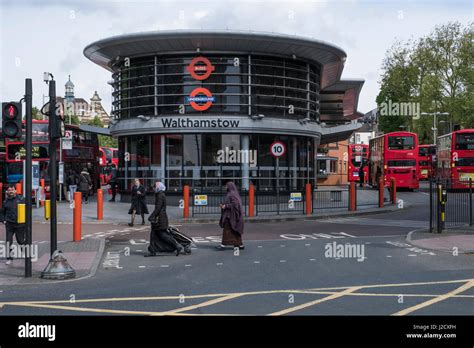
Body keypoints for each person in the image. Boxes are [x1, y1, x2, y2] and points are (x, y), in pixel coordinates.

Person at [146, 181, 184, 256]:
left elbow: (158, 208)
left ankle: (176, 246)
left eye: (154, 187)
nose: (153, 189)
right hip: (161, 218)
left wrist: (151, 216)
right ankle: (154, 250)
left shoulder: (160, 195)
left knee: (158, 234)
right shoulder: (160, 194)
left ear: (158, 188)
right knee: (160, 234)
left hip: (160, 219)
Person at [1, 185, 26, 265]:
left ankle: (25, 254)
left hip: (20, 224)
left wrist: (26, 221)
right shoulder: (5, 202)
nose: (10, 191)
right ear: (7, 192)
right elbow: (2, 212)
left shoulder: (21, 199)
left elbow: (27, 210)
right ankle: (9, 258)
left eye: (12, 190)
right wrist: (3, 220)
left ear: (15, 190)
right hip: (9, 224)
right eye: (9, 190)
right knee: (8, 241)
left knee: (21, 241)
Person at [217, 181, 244, 250]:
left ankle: (223, 244)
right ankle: (239, 244)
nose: (225, 187)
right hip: (231, 215)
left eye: (226, 186)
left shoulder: (231, 194)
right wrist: (223, 204)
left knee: (227, 230)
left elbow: (235, 204)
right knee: (235, 229)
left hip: (231, 216)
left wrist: (225, 206)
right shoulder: (233, 193)